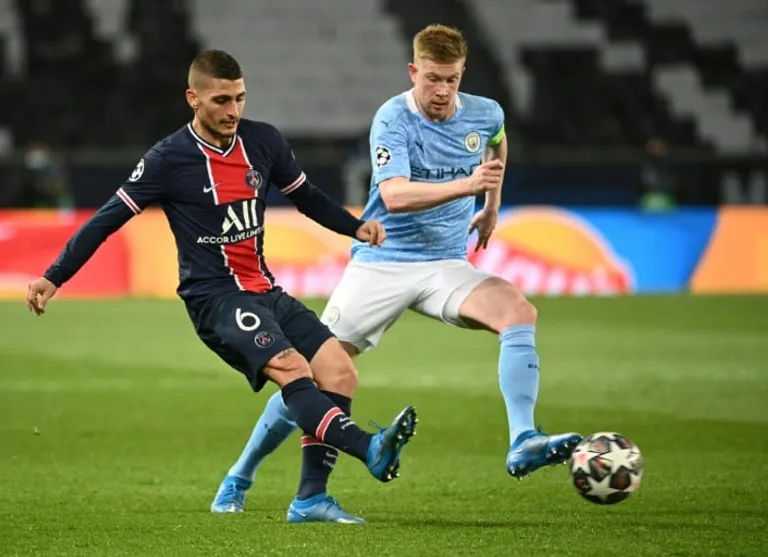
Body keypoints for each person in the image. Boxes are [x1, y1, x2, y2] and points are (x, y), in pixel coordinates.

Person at [25, 50, 418, 524]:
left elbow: (307, 198)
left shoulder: (264, 141)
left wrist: (354, 227)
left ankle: (311, 499)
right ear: (193, 99)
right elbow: (107, 219)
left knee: (339, 372)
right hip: (215, 299)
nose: (233, 110)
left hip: (264, 289)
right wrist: (54, 276)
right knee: (292, 367)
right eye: (221, 100)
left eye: (240, 98)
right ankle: (368, 447)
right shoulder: (168, 159)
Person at [211, 24, 582, 515]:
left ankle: (522, 439)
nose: (442, 90)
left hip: (444, 264)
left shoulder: (485, 112)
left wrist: (491, 205)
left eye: (451, 79)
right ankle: (240, 476)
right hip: (382, 263)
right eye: (432, 79)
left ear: (462, 74)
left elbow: (498, 143)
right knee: (315, 374)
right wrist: (468, 186)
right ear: (413, 71)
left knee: (518, 311)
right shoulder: (393, 118)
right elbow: (395, 195)